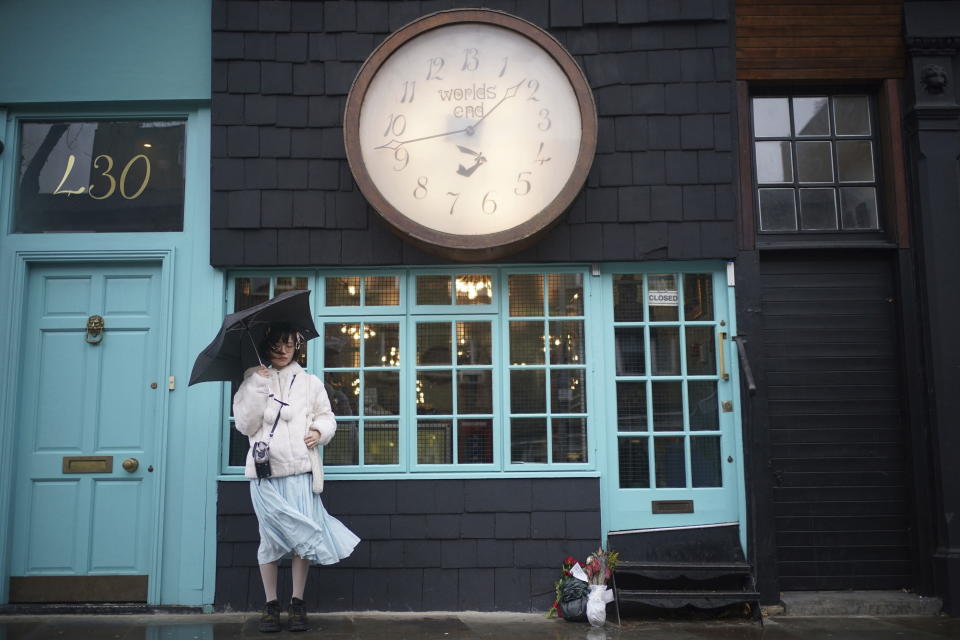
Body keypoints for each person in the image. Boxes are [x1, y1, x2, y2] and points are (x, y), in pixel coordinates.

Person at [233, 323, 360, 633]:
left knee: (303, 538)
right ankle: (271, 604)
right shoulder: (251, 381)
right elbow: (245, 425)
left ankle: (297, 602)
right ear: (267, 346)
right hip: (266, 475)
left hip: (300, 472)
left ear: (296, 347)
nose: (282, 350)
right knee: (270, 539)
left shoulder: (310, 383)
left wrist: (319, 432)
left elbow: (326, 416)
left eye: (288, 344)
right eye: (277, 344)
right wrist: (256, 386)